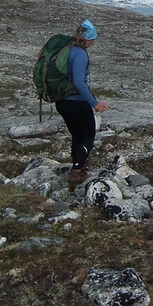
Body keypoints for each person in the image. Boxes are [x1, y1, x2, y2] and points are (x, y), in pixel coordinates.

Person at [55, 19, 110, 184]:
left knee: (76, 135)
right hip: (76, 102)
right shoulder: (80, 54)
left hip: (62, 102)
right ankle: (77, 171)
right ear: (85, 38)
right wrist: (94, 103)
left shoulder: (66, 50)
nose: (93, 42)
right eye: (92, 39)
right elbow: (79, 82)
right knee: (87, 135)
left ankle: (79, 166)